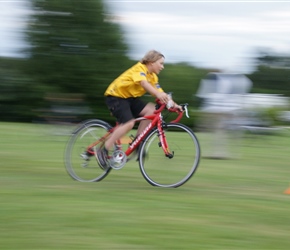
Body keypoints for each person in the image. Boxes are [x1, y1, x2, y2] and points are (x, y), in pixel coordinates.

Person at [97, 50, 182, 169]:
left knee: (152, 110)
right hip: (116, 97)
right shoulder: (140, 68)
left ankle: (137, 143)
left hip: (130, 98)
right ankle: (103, 149)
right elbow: (143, 83)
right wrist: (157, 95)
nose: (162, 67)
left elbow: (161, 93)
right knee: (129, 123)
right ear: (151, 62)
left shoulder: (153, 77)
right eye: (161, 63)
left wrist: (175, 105)